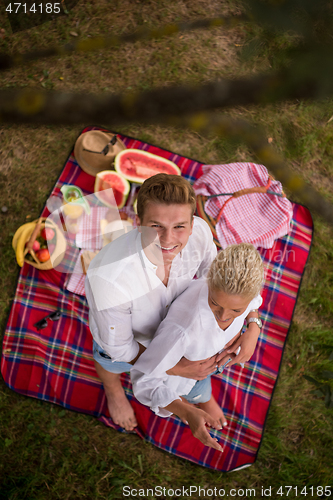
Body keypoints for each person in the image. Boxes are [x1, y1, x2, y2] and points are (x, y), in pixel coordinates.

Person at [85, 173, 219, 431]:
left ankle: (201, 395)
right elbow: (121, 348)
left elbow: (212, 274)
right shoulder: (108, 278)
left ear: (192, 224)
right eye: (156, 226)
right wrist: (176, 367)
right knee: (109, 360)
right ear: (138, 223)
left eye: (179, 227)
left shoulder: (200, 233)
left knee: (197, 371)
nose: (168, 240)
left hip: (177, 331)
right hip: (129, 343)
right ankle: (113, 390)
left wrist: (252, 320)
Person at [131, 243, 264, 452]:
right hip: (185, 372)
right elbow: (144, 380)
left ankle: (204, 398)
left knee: (203, 390)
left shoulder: (240, 291)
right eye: (215, 303)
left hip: (208, 364)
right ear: (209, 281)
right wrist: (184, 410)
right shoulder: (182, 329)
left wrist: (253, 325)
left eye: (237, 309)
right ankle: (197, 399)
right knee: (198, 391)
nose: (223, 316)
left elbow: (253, 301)